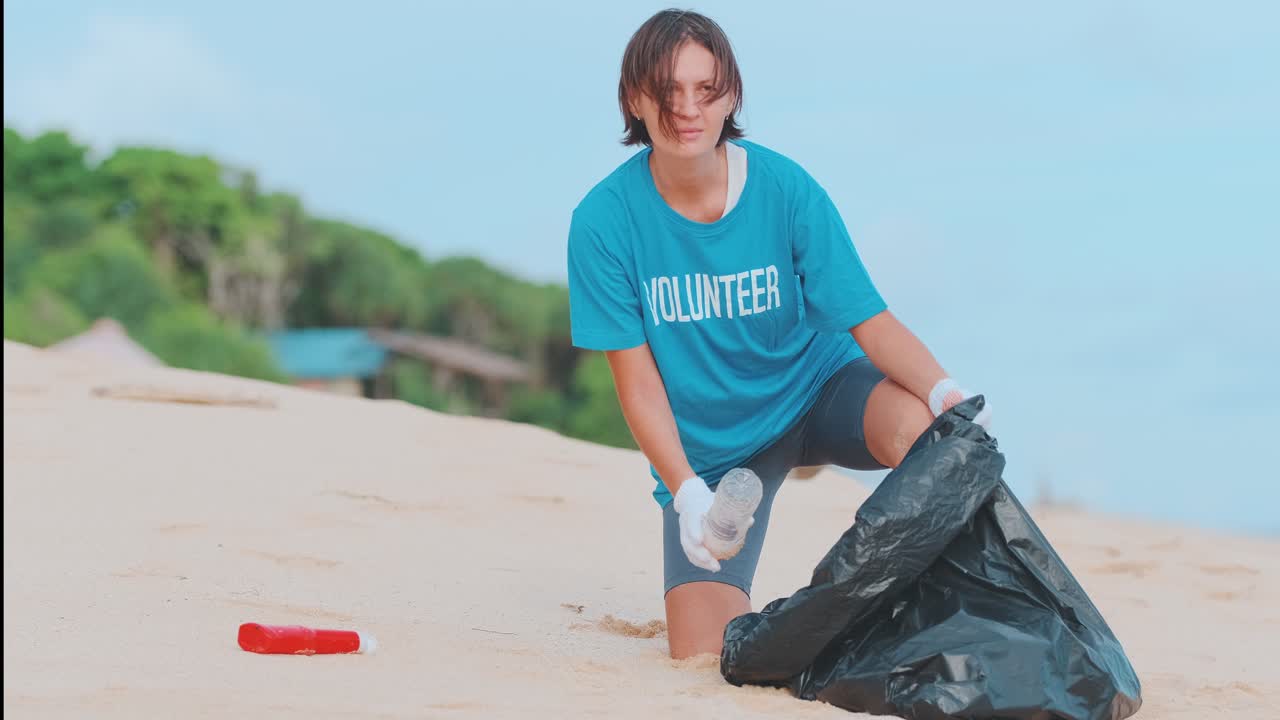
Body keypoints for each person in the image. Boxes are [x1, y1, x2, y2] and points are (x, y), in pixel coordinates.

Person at [566, 9, 994, 660]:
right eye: (668, 90)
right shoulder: (603, 221)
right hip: (717, 456)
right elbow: (639, 382)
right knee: (702, 657)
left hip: (816, 389)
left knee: (923, 433)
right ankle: (763, 490)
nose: (688, 109)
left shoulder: (785, 189)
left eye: (705, 90)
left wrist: (945, 394)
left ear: (730, 95)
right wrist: (685, 490)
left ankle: (949, 606)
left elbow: (869, 319)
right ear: (635, 98)